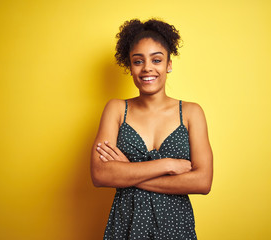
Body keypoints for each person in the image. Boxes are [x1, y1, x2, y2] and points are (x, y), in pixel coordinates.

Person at [91, 18, 213, 240]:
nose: (147, 67)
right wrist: (166, 165)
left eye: (156, 60)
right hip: (126, 224)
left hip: (176, 226)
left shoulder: (191, 113)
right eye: (138, 61)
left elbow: (203, 182)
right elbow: (100, 174)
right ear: (130, 66)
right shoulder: (117, 109)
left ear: (168, 65)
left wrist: (127, 172)